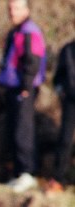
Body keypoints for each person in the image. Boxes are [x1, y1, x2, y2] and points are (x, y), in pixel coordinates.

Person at [0, 0, 46, 192]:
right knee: (13, 129)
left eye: (16, 8)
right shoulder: (15, 31)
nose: (12, 12)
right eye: (10, 9)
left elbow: (32, 60)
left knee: (23, 131)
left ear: (26, 10)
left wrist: (26, 86)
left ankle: (27, 172)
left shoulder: (29, 31)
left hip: (23, 88)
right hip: (12, 87)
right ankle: (18, 172)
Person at [47, 38, 75, 192]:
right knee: (65, 139)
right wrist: (61, 90)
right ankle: (58, 178)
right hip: (70, 100)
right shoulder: (68, 49)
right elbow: (58, 77)